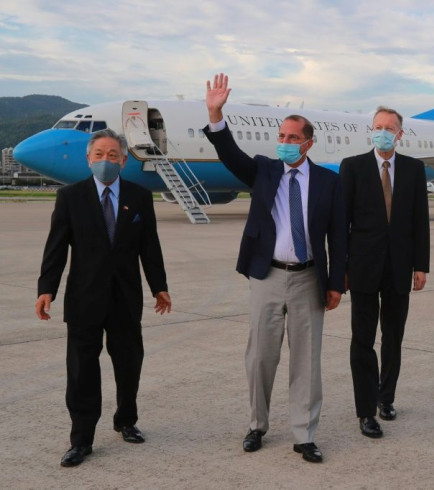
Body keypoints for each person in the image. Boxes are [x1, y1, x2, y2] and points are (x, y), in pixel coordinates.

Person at [203, 73, 346, 463]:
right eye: (281, 137)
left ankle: (304, 434)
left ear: (308, 143)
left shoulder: (328, 183)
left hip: (310, 277)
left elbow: (339, 237)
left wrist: (336, 284)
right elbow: (230, 154)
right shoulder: (264, 171)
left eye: (292, 138)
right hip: (267, 276)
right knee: (261, 356)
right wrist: (216, 114)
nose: (284, 143)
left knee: (307, 360)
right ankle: (257, 425)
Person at [35, 128, 172, 467]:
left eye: (113, 155)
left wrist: (159, 286)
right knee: (81, 369)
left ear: (124, 161)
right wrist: (46, 289)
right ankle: (81, 439)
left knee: (129, 363)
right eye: (99, 155)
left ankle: (126, 420)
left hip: (125, 297)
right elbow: (56, 249)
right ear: (88, 159)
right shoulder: (70, 197)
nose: (106, 161)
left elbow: (149, 247)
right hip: (84, 298)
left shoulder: (140, 197)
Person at [340, 107, 430, 439]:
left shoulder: (413, 169)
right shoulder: (353, 167)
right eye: (378, 127)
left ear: (400, 134)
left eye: (389, 128)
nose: (383, 132)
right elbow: (341, 224)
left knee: (393, 337)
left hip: (399, 269)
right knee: (362, 340)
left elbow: (420, 220)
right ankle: (365, 411)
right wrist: (342, 269)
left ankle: (386, 397)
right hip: (362, 269)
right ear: (371, 131)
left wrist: (421, 265)